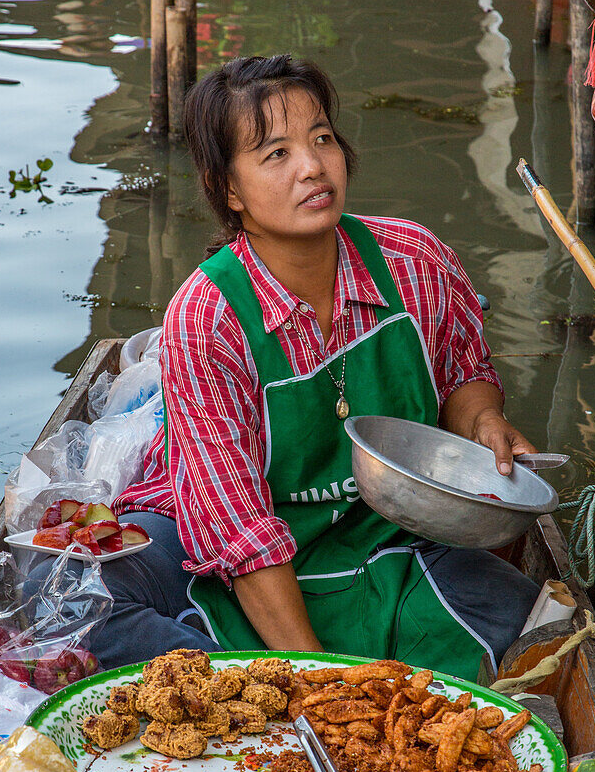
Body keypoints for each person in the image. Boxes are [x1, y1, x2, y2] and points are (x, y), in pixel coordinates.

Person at [98, 54, 538, 678]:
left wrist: (483, 419)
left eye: (323, 138)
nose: (313, 166)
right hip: (226, 556)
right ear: (228, 188)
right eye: (276, 154)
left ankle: (248, 683)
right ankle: (265, 677)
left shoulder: (416, 260)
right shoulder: (206, 316)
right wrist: (316, 676)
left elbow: (463, 368)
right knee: (85, 602)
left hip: (385, 532)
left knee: (526, 617)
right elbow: (234, 527)